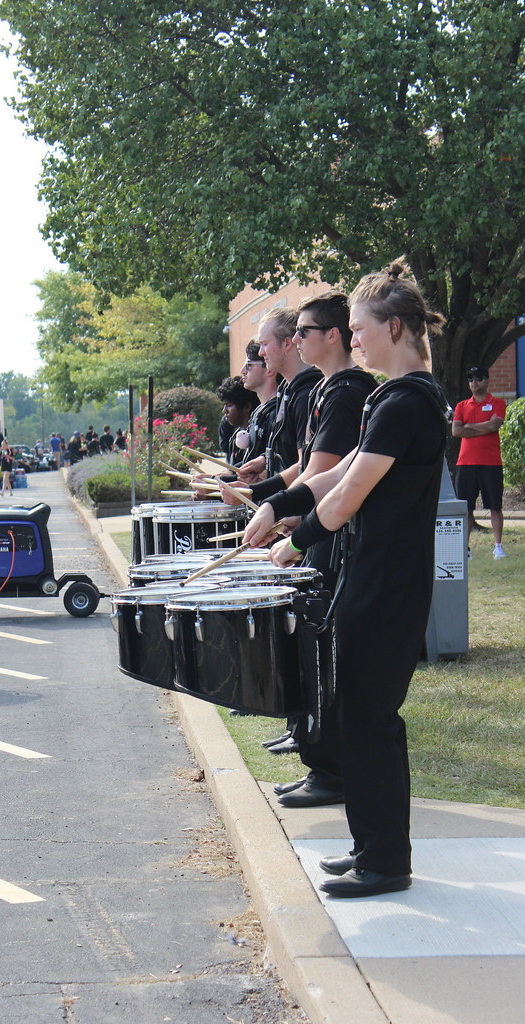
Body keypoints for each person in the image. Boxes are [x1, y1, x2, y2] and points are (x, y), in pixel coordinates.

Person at [244, 261, 450, 897]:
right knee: (362, 717)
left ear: (393, 327)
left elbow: (351, 491)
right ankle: (373, 847)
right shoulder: (396, 400)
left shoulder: (406, 402)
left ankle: (384, 863)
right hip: (377, 578)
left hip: (387, 584)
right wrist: (281, 506)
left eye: (359, 329)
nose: (353, 339)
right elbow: (337, 475)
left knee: (367, 719)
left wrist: (297, 540)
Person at [239, 292, 378, 788]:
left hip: (333, 538)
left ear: (331, 336)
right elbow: (314, 469)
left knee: (323, 647)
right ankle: (315, 748)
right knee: (313, 645)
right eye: (293, 333)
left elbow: (327, 474)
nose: (295, 342)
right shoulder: (328, 390)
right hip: (316, 526)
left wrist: (283, 512)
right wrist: (267, 498)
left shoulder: (348, 392)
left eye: (304, 332)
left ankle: (327, 763)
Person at [236, 307, 322, 483]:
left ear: (287, 344)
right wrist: (265, 461)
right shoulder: (287, 391)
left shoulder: (305, 394)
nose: (261, 352)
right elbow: (287, 455)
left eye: (265, 344)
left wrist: (257, 493)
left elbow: (304, 467)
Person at [452, 365, 507, 558]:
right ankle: (465, 549)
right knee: (465, 507)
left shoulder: (498, 403)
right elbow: (456, 431)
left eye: (478, 378)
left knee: (495, 506)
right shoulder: (461, 406)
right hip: (465, 463)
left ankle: (498, 546)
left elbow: (495, 425)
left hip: (491, 462)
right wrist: (484, 427)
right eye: (470, 379)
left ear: (486, 380)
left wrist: (470, 426)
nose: (474, 383)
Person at [215, 376, 260, 466]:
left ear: (246, 407)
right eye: (224, 405)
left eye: (229, 405)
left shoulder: (259, 437)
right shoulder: (235, 436)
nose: (224, 410)